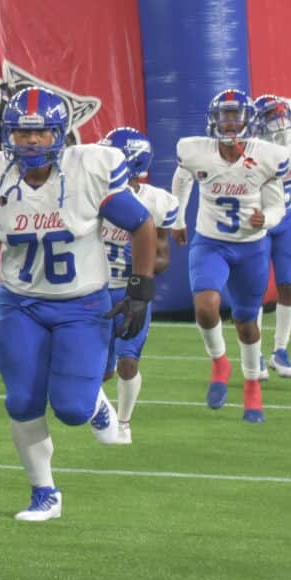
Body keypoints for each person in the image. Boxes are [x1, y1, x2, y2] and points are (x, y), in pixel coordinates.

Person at [0, 89, 156, 518]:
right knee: (22, 401)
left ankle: (96, 404)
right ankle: (44, 493)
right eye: (22, 133)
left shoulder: (88, 171)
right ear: (8, 134)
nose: (31, 142)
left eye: (41, 132)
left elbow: (141, 224)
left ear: (58, 134)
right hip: (20, 303)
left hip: (81, 304)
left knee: (71, 408)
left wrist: (140, 289)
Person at [172, 88, 291, 425]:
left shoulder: (268, 156)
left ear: (248, 120)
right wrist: (179, 217)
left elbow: (277, 205)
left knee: (246, 324)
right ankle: (219, 362)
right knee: (205, 306)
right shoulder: (196, 151)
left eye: (235, 116)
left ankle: (252, 388)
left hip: (251, 246)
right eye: (224, 116)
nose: (229, 123)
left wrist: (266, 219)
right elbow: (183, 178)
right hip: (211, 242)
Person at [96, 128, 178, 443]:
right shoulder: (91, 193)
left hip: (132, 291)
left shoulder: (157, 202)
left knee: (128, 362)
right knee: (102, 371)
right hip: (95, 289)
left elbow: (162, 259)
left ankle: (124, 422)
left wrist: (140, 262)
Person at [249, 94, 291, 377]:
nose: (277, 123)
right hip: (260, 221)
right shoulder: (251, 147)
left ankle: (281, 350)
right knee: (255, 290)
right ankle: (255, 355)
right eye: (270, 118)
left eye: (280, 115)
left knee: (289, 285)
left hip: (287, 218)